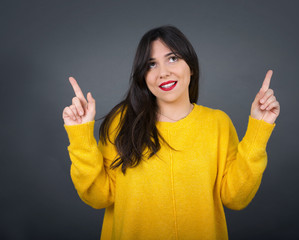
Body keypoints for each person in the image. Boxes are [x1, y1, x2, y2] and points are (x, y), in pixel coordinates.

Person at [63, 25, 280, 240]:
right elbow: (98, 197)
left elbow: (235, 198)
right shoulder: (121, 123)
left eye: (173, 58)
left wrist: (258, 130)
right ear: (143, 76)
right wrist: (79, 135)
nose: (163, 72)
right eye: (151, 64)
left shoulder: (218, 123)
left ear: (191, 66)